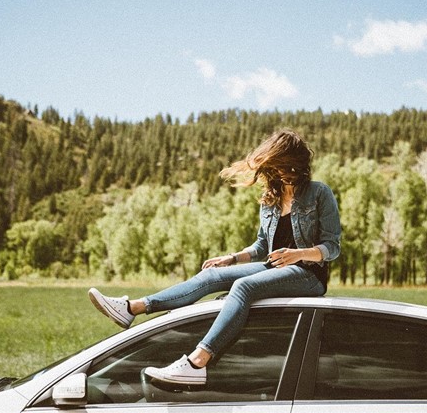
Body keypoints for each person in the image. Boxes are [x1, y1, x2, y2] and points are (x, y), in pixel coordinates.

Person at [88, 129, 341, 387]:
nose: (279, 172)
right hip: (272, 267)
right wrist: (231, 258)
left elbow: (332, 246)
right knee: (212, 275)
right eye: (275, 167)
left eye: (282, 166)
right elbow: (263, 245)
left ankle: (197, 362)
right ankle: (132, 308)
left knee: (243, 287)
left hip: (309, 275)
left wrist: (297, 254)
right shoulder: (270, 200)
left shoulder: (319, 193)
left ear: (294, 162)